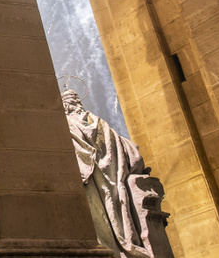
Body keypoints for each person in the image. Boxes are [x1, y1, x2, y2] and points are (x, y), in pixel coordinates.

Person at [64, 88, 173, 258]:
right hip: (116, 183)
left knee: (101, 225)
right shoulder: (101, 124)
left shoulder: (68, 127)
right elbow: (134, 155)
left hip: (93, 184)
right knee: (118, 218)